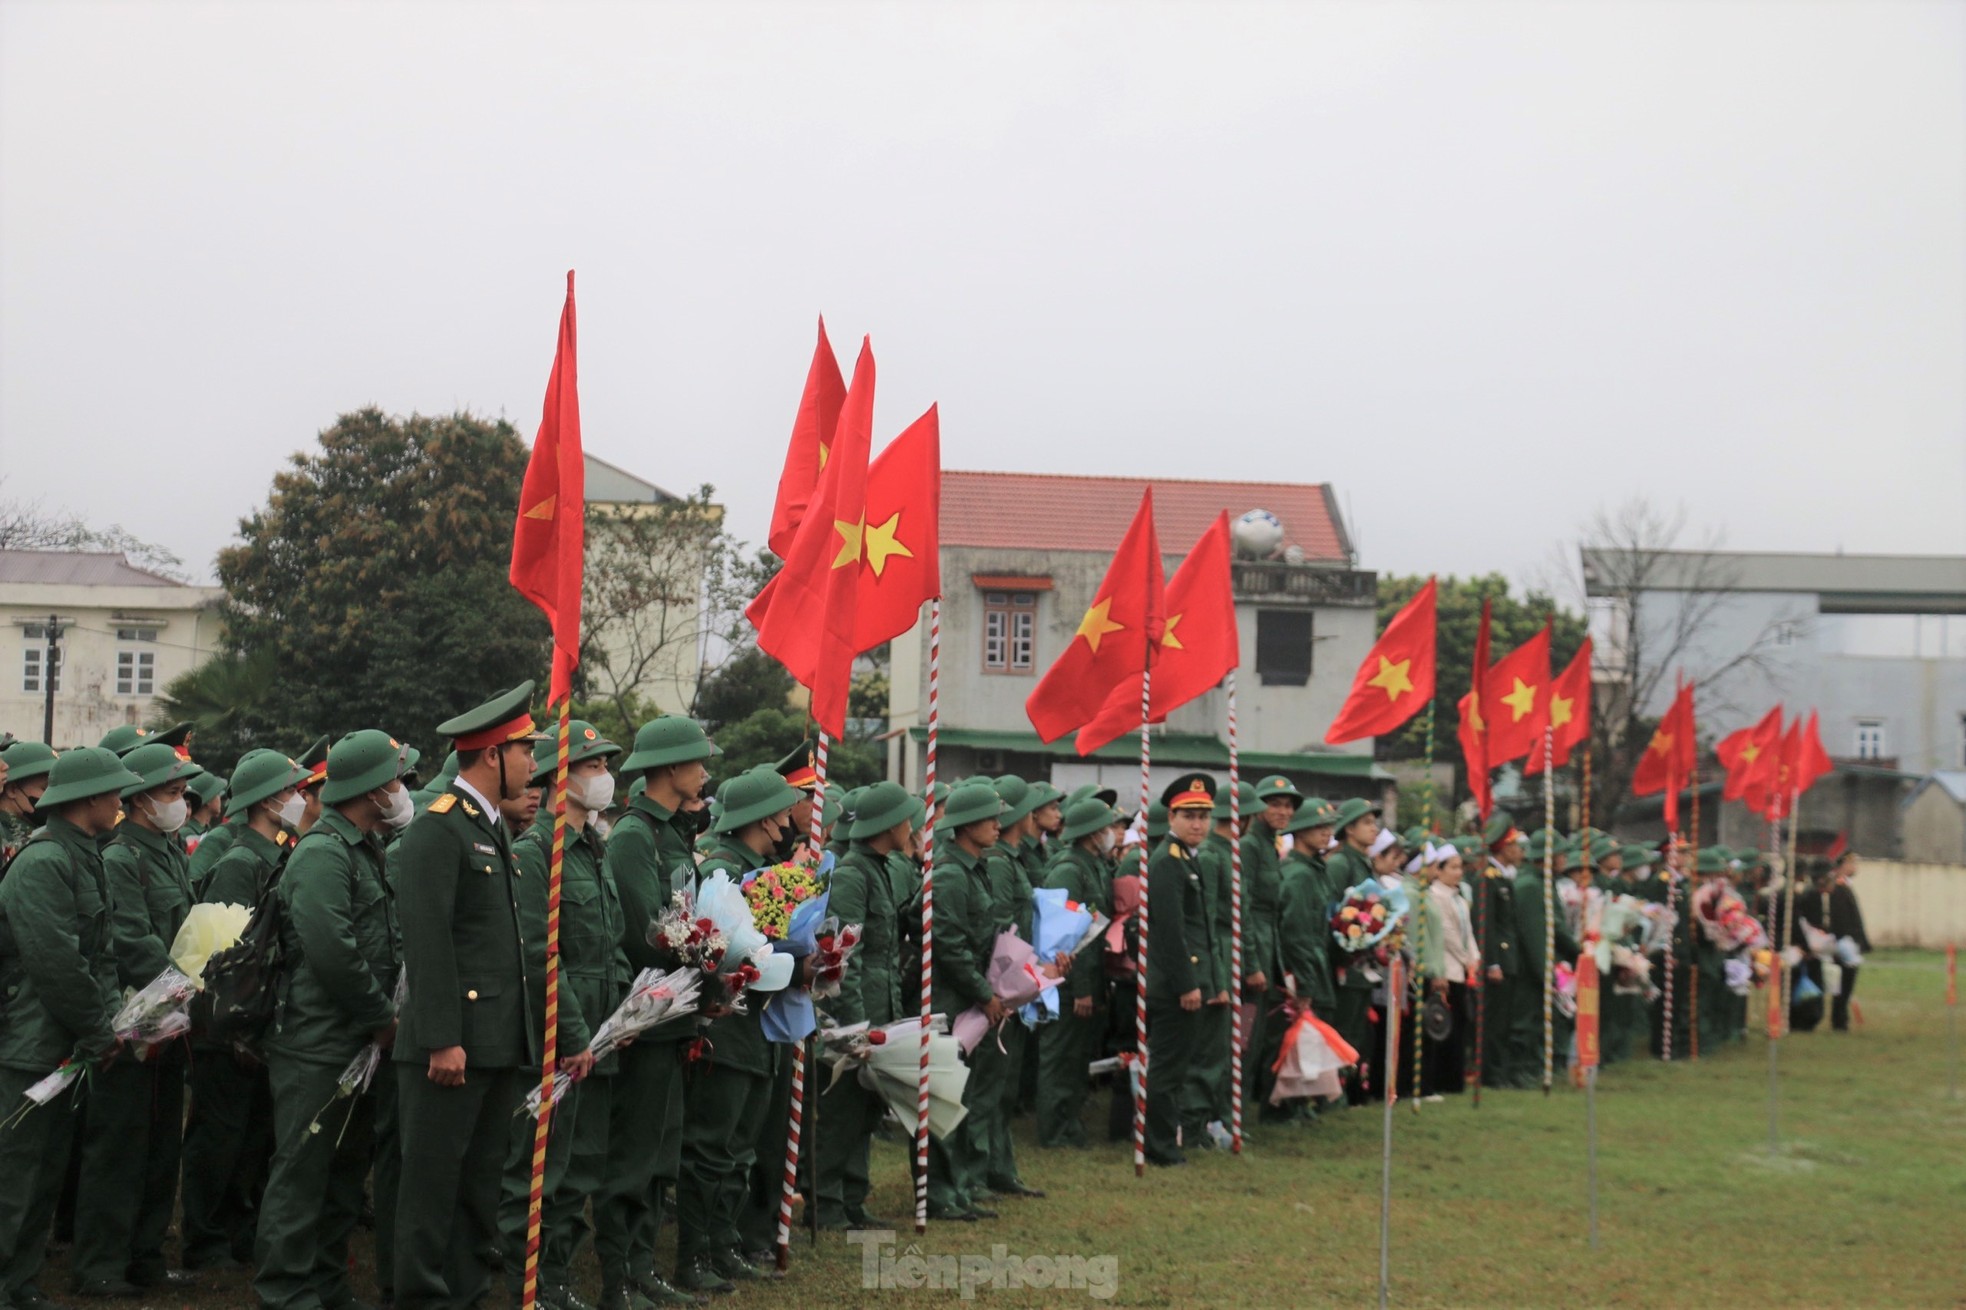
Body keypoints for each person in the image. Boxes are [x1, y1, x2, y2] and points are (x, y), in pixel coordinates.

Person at [393, 685, 547, 1310]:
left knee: (479, 1185)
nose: (534, 764)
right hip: (451, 1045)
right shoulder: (439, 829)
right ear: (491, 754)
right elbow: (429, 943)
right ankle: (424, 1299)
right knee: (432, 1187)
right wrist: (442, 1037)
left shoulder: (489, 828)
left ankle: (467, 1292)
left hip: (493, 1042)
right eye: (526, 751)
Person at [253, 730, 410, 1310]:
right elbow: (333, 950)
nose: (401, 789)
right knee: (301, 1171)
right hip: (317, 1043)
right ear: (371, 789)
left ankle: (325, 1282)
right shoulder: (322, 852)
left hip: (356, 1042)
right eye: (395, 779)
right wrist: (380, 1017)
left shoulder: (365, 849)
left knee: (344, 1171)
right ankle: (286, 1289)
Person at [0, 747, 138, 1310]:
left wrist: (105, 1024)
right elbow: (56, 963)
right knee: (17, 1175)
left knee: (46, 1172)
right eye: (115, 794)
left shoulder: (85, 855)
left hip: (64, 1042)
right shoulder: (44, 862)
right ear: (88, 799)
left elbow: (100, 957)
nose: (121, 803)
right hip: (29, 1043)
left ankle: (20, 1282)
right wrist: (98, 1031)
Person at [492, 723, 621, 1310]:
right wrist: (571, 1034)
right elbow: (541, 952)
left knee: (579, 1168)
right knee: (537, 1168)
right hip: (555, 1036)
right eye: (592, 766)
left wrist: (627, 1017)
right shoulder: (533, 851)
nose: (603, 777)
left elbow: (609, 941)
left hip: (601, 1031)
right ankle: (527, 1281)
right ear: (558, 779)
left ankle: (560, 1276)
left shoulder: (593, 846)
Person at [72, 743, 202, 1297]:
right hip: (135, 1017)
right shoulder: (120, 856)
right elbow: (130, 938)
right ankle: (101, 1264)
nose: (181, 804)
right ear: (140, 799)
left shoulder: (168, 850)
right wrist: (183, 984)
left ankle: (145, 1256)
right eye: (172, 794)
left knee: (159, 1144)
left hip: (171, 1018)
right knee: (119, 1146)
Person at [598, 716, 718, 1310]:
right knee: (632, 1156)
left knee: (660, 1153)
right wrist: (701, 949)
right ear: (670, 769)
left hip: (675, 1015)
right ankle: (616, 1276)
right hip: (645, 1019)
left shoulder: (672, 833)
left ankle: (643, 1267)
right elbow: (644, 933)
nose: (704, 772)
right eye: (697, 762)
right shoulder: (634, 836)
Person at [179, 749, 310, 1274]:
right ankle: (203, 1239)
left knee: (250, 1136)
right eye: (293, 790)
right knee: (218, 1135)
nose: (300, 799)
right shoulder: (239, 863)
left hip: (255, 1025)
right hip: (225, 1028)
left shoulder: (274, 855)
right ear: (270, 800)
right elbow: (208, 956)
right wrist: (227, 1030)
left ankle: (237, 1230)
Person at [678, 766, 803, 1293]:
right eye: (780, 811)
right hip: (729, 1028)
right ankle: (694, 1252)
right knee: (713, 1145)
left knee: (739, 1146)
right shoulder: (727, 871)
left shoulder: (762, 868)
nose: (786, 821)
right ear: (759, 817)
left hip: (758, 1026)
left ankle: (723, 1240)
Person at [813, 779, 911, 1227]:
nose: (912, 826)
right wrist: (853, 1026)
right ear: (887, 825)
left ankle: (853, 1198)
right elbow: (843, 957)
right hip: (854, 1009)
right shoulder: (853, 873)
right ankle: (826, 1203)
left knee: (867, 1107)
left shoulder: (882, 868)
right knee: (842, 1110)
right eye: (905, 818)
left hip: (881, 1003)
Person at [924, 781, 1006, 1221]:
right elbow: (949, 943)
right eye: (990, 817)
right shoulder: (951, 874)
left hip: (970, 996)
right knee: (943, 1094)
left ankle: (956, 1186)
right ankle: (938, 1191)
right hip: (948, 998)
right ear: (965, 823)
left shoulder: (976, 867)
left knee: (963, 1094)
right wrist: (984, 992)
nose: (998, 824)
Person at [1035, 795, 1122, 1148]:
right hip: (1069, 980)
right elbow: (1064, 934)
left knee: (1076, 1058)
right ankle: (1053, 1131)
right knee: (1060, 1057)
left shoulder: (1092, 864)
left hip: (1090, 973)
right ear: (1091, 833)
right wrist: (1082, 987)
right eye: (1107, 828)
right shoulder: (1070, 868)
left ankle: (1069, 1124)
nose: (1112, 834)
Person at [1143, 774, 1216, 1167]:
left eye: (1204, 816)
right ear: (1171, 816)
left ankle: (1164, 1141)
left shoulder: (1186, 857)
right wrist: (1188, 984)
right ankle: (1159, 1146)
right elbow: (1170, 931)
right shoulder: (1167, 861)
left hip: (1187, 981)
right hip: (1174, 984)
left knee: (1176, 1065)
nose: (1197, 824)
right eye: (1189, 815)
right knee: (1168, 1069)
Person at [981, 776, 1043, 1197]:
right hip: (1001, 983)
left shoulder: (1014, 858)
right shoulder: (1001, 863)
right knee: (990, 1086)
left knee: (1005, 1086)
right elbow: (999, 928)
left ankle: (1001, 1167)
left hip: (1017, 982)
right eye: (1035, 809)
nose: (1041, 816)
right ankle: (986, 1168)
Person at [1185, 781, 1249, 1148]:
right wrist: (1214, 978)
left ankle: (1214, 1120)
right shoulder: (1211, 856)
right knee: (1207, 1051)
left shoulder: (1229, 853)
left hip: (1227, 951)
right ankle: (1195, 1125)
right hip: (1215, 954)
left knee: (1224, 1049)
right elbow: (1207, 919)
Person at [1270, 798, 1339, 1122]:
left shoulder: (1313, 869)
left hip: (1315, 960)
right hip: (1300, 966)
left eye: (1329, 827)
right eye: (1318, 827)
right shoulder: (1298, 874)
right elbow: (1295, 933)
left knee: (1307, 1037)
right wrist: (1303, 981)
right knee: (1292, 1037)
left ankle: (1299, 1103)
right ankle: (1284, 1107)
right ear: (1299, 831)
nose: (1327, 833)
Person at [1422, 839, 1480, 1097]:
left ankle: (1455, 1079)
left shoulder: (1459, 895)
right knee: (1444, 1026)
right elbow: (1447, 934)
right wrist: (1466, 958)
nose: (1458, 872)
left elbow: (1468, 932)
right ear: (1440, 870)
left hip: (1463, 966)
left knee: (1460, 1025)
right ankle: (1443, 1079)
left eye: (1460, 868)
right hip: (1447, 966)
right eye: (1453, 867)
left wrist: (1474, 957)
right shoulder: (1435, 895)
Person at [1474, 815, 1525, 1088]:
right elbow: (1486, 926)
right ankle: (1490, 1073)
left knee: (1505, 1021)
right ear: (1504, 848)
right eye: (1516, 845)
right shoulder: (1487, 879)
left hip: (1509, 960)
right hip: (1497, 962)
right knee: (1493, 1023)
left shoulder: (1503, 878)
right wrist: (1491, 962)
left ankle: (1501, 1071)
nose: (1520, 851)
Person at [0, 739, 57, 865]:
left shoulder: (37, 833)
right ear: (13, 790)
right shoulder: (8, 838)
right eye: (45, 788)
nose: (54, 796)